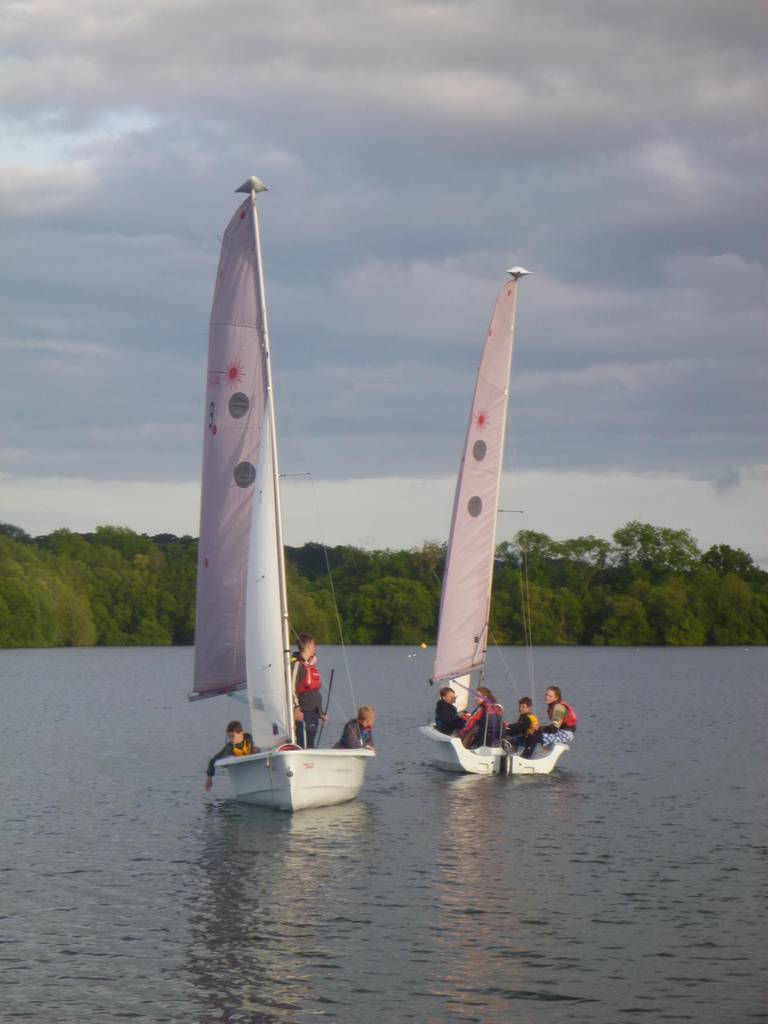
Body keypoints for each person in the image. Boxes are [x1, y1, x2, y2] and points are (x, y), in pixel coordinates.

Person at [291, 633, 327, 749]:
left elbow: (314, 692)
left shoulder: (310, 666)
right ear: (308, 646)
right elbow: (291, 687)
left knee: (311, 741)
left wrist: (321, 712)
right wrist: (296, 708)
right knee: (303, 743)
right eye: (313, 645)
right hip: (303, 712)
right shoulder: (298, 665)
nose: (315, 648)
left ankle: (311, 763)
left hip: (313, 712)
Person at [204, 720, 259, 790]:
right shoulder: (229, 747)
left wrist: (254, 751)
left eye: (233, 736)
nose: (231, 740)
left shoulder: (249, 738)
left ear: (240, 734)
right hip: (241, 772)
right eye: (229, 737)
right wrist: (209, 777)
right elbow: (213, 760)